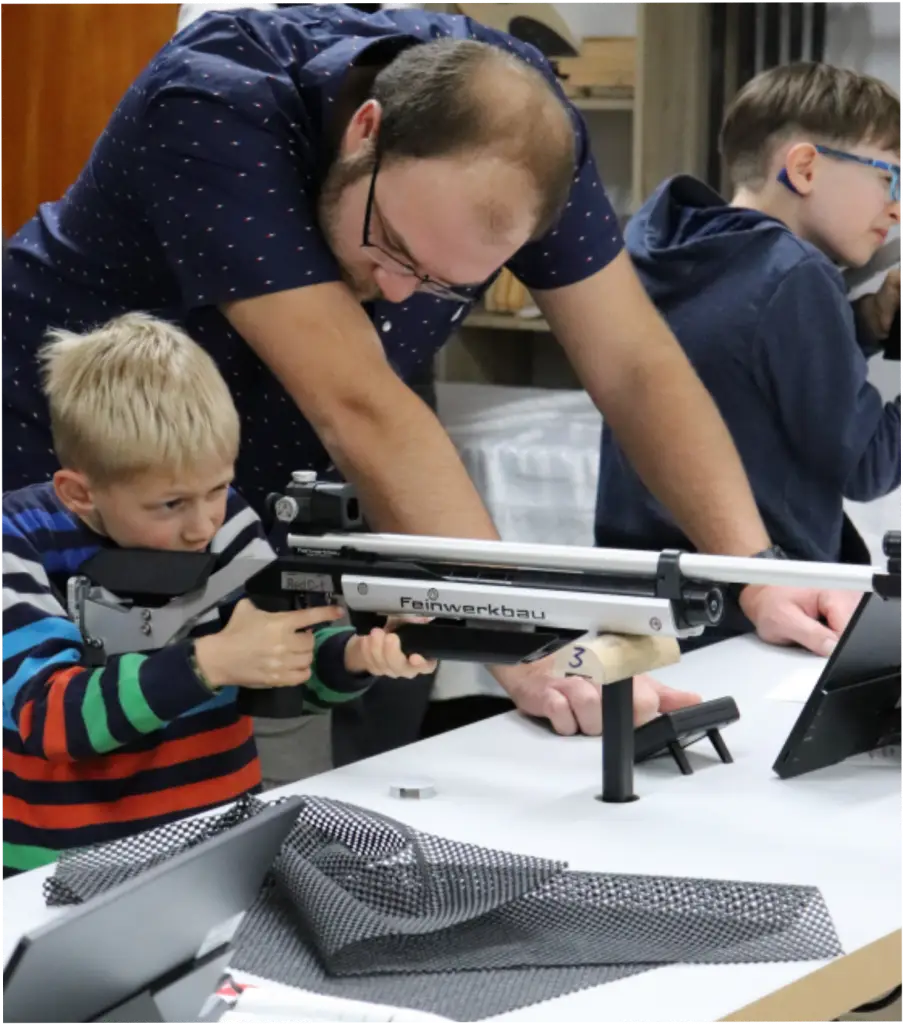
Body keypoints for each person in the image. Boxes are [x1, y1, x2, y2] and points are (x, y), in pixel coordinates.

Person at [0, 6, 860, 753]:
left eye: (451, 285)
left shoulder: (523, 133)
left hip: (236, 499)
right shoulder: (216, 106)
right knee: (58, 753)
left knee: (241, 755)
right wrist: (531, 643)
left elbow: (634, 366)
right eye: (394, 250)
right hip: (59, 474)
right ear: (365, 130)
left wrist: (755, 568)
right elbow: (361, 402)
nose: (403, 294)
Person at [0, 313, 436, 877]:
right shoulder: (16, 542)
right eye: (171, 504)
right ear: (79, 493)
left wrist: (354, 656)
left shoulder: (225, 521)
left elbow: (281, 674)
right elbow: (50, 718)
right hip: (57, 874)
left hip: (216, 856)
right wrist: (207, 663)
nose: (203, 524)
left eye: (218, 487)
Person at [595, 62, 902, 647]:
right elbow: (867, 466)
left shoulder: (664, 244)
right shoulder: (799, 275)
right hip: (764, 609)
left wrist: (864, 324)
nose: (897, 210)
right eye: (892, 180)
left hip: (651, 598)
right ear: (805, 168)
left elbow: (744, 359)